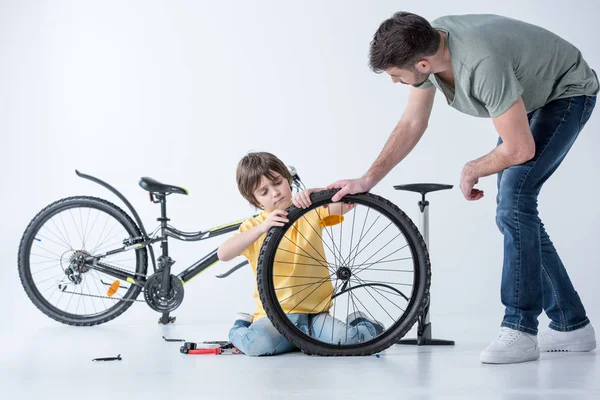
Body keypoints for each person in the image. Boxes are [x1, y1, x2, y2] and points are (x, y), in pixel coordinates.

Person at [327, 12, 598, 364]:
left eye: (396, 76)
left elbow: (520, 149)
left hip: (565, 92)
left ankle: (520, 329)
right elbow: (412, 122)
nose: (394, 82)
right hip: (525, 95)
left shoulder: (482, 64)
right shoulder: (428, 42)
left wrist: (473, 168)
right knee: (514, 212)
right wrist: (367, 179)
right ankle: (570, 323)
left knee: (514, 205)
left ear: (423, 64)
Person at [217, 152, 383, 356]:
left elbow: (348, 202)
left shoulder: (310, 211)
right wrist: (262, 228)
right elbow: (223, 254)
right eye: (264, 192)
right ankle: (241, 325)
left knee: (349, 341)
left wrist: (317, 193)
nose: (275, 193)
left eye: (278, 182)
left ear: (288, 179)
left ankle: (361, 322)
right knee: (255, 345)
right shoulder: (254, 226)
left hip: (315, 315)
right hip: (275, 317)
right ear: (256, 200)